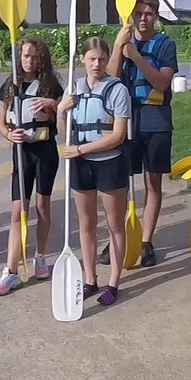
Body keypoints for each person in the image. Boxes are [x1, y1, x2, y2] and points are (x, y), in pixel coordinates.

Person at [105, 0, 178, 267]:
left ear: (156, 16)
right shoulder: (124, 41)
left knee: (152, 181)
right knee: (121, 184)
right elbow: (111, 79)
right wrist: (118, 48)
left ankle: (145, 241)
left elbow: (161, 83)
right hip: (127, 120)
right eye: (138, 14)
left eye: (148, 14)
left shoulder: (165, 44)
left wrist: (135, 56)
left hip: (156, 120)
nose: (143, 18)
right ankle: (119, 237)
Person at [58, 37, 132, 306]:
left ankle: (114, 282)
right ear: (83, 60)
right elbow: (66, 135)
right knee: (86, 224)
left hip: (109, 162)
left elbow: (118, 136)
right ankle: (90, 279)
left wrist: (81, 149)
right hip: (82, 164)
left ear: (107, 59)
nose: (97, 64)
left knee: (114, 224)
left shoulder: (118, 90)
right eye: (91, 59)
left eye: (101, 59)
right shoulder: (73, 89)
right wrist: (60, 111)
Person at [0, 36, 63, 296]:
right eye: (26, 56)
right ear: (19, 57)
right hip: (22, 152)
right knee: (17, 210)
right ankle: (10, 271)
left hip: (45, 151)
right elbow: (1, 121)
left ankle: (40, 257)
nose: (30, 61)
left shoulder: (50, 85)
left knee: (42, 206)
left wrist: (53, 104)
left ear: (42, 58)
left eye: (35, 56)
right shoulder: (11, 84)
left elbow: (64, 117)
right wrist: (8, 134)